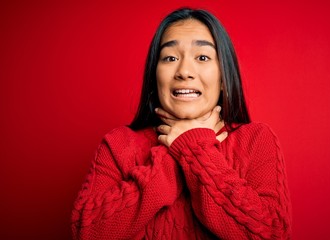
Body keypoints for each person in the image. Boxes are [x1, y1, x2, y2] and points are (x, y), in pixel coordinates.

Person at [71, 7, 291, 240]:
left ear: (224, 77)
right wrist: (177, 150)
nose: (184, 71)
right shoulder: (118, 144)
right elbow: (87, 233)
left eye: (202, 57)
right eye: (170, 58)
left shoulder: (255, 139)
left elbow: (270, 234)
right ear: (155, 77)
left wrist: (195, 150)